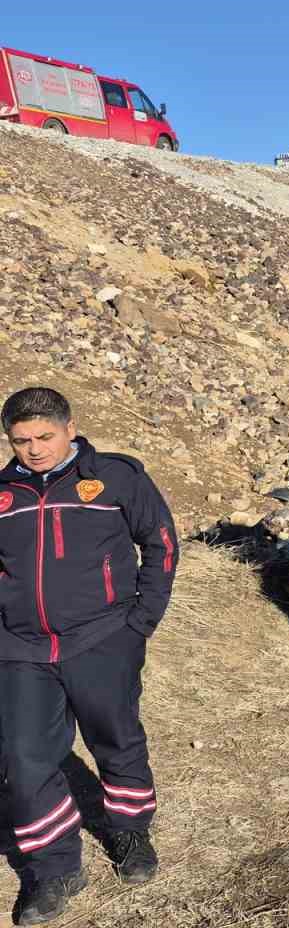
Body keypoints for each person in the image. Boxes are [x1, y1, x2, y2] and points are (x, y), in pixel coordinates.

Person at [0, 388, 178, 924]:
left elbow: (162, 543)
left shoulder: (115, 478)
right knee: (24, 758)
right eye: (20, 440)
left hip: (103, 636)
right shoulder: (3, 493)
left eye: (44, 437)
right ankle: (54, 870)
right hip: (21, 647)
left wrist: (139, 623)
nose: (33, 450)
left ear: (69, 428)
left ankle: (129, 834)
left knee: (115, 738)